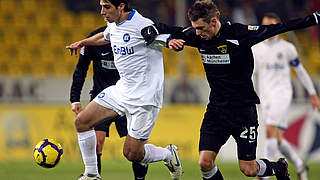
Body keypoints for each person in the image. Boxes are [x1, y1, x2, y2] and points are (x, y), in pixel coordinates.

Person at [141, 1, 320, 179]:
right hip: (216, 110)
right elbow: (167, 28)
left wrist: (314, 18)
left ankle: (279, 168)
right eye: (195, 28)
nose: (198, 33)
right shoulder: (196, 35)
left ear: (213, 21)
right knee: (204, 162)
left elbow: (280, 28)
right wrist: (153, 31)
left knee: (248, 169)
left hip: (243, 110)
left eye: (201, 28)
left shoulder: (239, 34)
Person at [66, 0, 183, 180]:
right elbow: (104, 37)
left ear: (121, 6)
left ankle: (168, 154)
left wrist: (170, 41)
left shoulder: (142, 24)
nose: (102, 12)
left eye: (106, 7)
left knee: (132, 154)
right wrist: (82, 42)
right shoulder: (113, 24)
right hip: (121, 91)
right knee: (82, 122)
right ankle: (91, 173)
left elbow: (156, 37)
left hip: (145, 100)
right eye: (101, 6)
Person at [70, 25, 150, 180]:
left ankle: (140, 178)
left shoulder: (132, 37)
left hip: (129, 99)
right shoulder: (93, 40)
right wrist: (75, 98)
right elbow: (81, 70)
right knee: (97, 143)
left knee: (136, 150)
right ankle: (94, 176)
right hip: (103, 100)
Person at [252, 12, 320, 180]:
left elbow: (301, 71)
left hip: (282, 94)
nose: (267, 30)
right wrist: (250, 94)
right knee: (278, 139)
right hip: (265, 97)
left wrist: (313, 93)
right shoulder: (256, 49)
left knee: (270, 131)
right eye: (264, 26)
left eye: (271, 26)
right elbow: (251, 75)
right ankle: (299, 164)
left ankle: (265, 175)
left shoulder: (287, 48)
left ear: (277, 27)